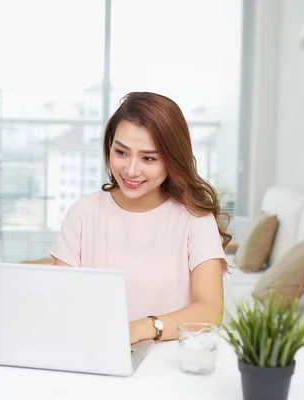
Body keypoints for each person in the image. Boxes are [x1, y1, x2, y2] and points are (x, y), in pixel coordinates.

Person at [49, 91, 231, 344]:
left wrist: (140, 329)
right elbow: (59, 301)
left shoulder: (194, 219)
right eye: (121, 152)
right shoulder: (83, 212)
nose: (131, 170)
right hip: (95, 352)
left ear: (173, 159)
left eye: (148, 158)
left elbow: (210, 311)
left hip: (168, 360)